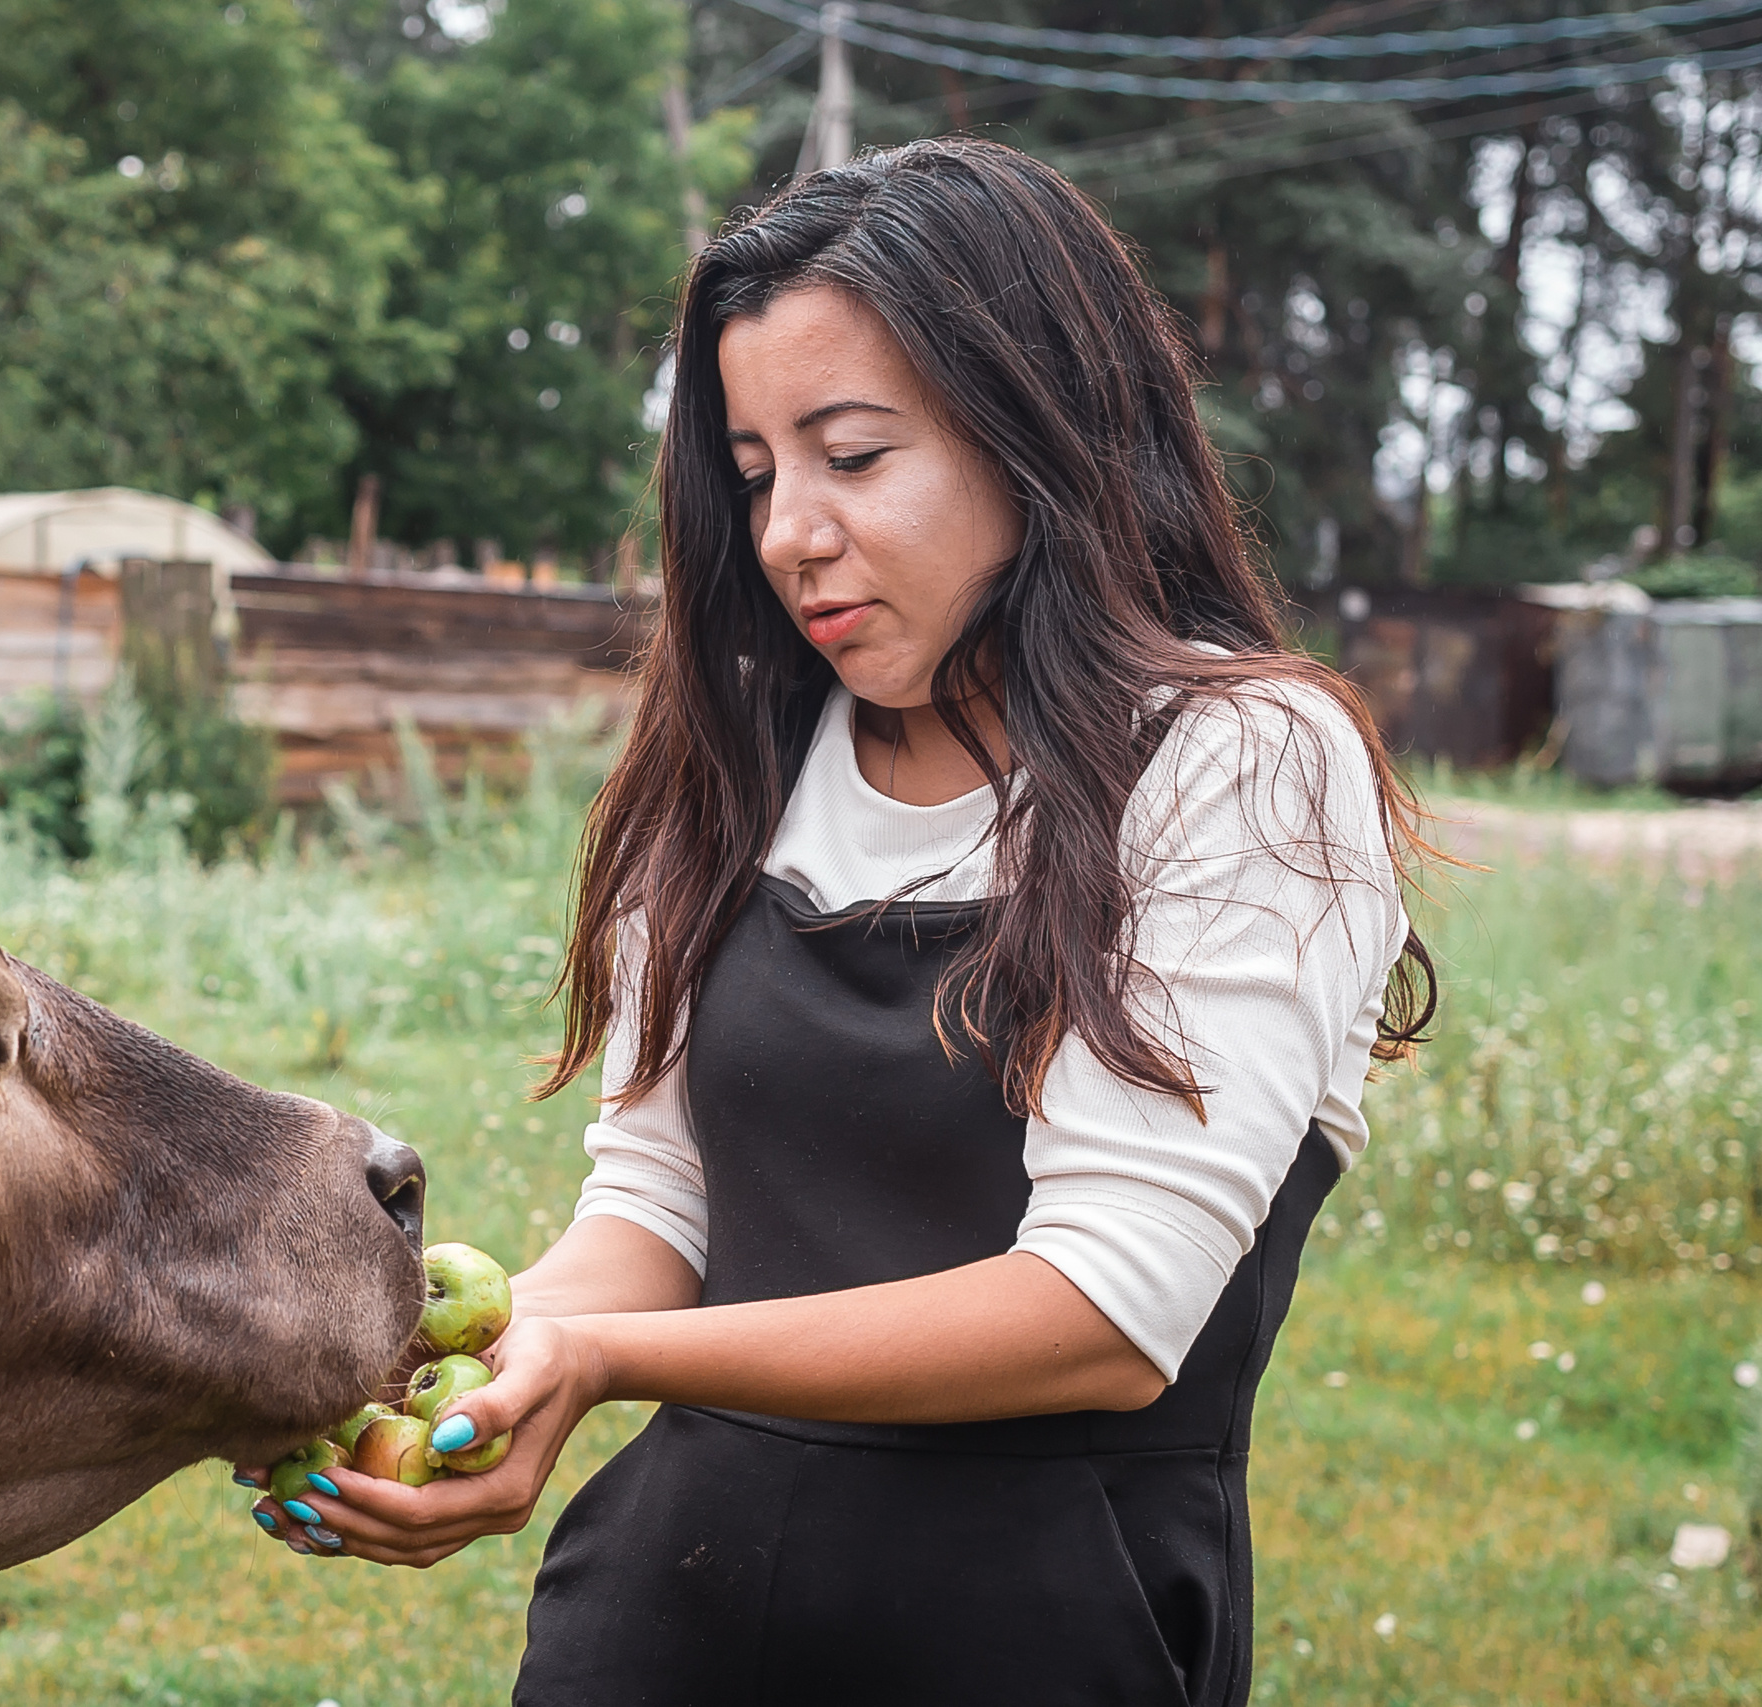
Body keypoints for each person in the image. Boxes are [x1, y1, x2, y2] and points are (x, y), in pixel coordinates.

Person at [253, 139, 1435, 1707]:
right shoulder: (741, 754)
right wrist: (417, 1370)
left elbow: (1105, 1311)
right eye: (754, 475)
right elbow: (662, 1215)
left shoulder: (1242, 760)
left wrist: (606, 1363)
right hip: (656, 1633)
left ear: (1043, 435)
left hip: (1042, 1647)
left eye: (855, 457)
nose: (788, 533)